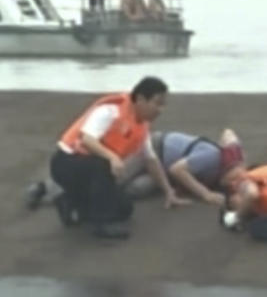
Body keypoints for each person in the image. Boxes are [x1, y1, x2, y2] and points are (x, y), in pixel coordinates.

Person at [49, 76, 188, 240]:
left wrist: (168, 191)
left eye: (163, 105)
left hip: (91, 170)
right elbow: (87, 139)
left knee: (124, 209)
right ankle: (101, 226)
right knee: (103, 166)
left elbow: (151, 159)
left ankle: (70, 202)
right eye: (157, 103)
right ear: (141, 99)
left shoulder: (141, 126)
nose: (160, 110)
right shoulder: (111, 110)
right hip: (66, 163)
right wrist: (113, 158)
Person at [26, 128, 240, 208]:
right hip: (154, 149)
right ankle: (45, 188)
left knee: (133, 191)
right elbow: (178, 170)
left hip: (162, 171)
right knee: (113, 178)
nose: (232, 185)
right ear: (232, 164)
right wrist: (206, 194)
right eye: (234, 179)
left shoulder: (224, 173)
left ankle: (74, 198)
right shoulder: (214, 156)